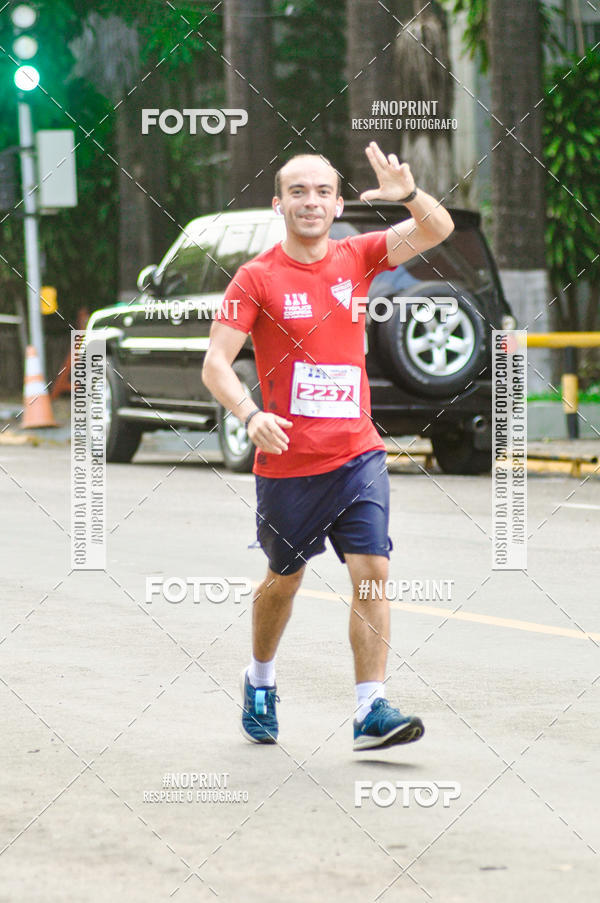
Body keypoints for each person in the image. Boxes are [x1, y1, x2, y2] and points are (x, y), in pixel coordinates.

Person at [202, 142, 454, 751]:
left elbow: (437, 228)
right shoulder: (257, 277)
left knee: (373, 574)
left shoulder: (359, 255)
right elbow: (216, 364)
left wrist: (408, 195)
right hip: (288, 464)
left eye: (321, 192)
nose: (310, 202)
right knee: (283, 579)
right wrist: (250, 414)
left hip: (358, 453)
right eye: (298, 191)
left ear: (339, 203)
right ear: (278, 204)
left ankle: (370, 707)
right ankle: (259, 679)